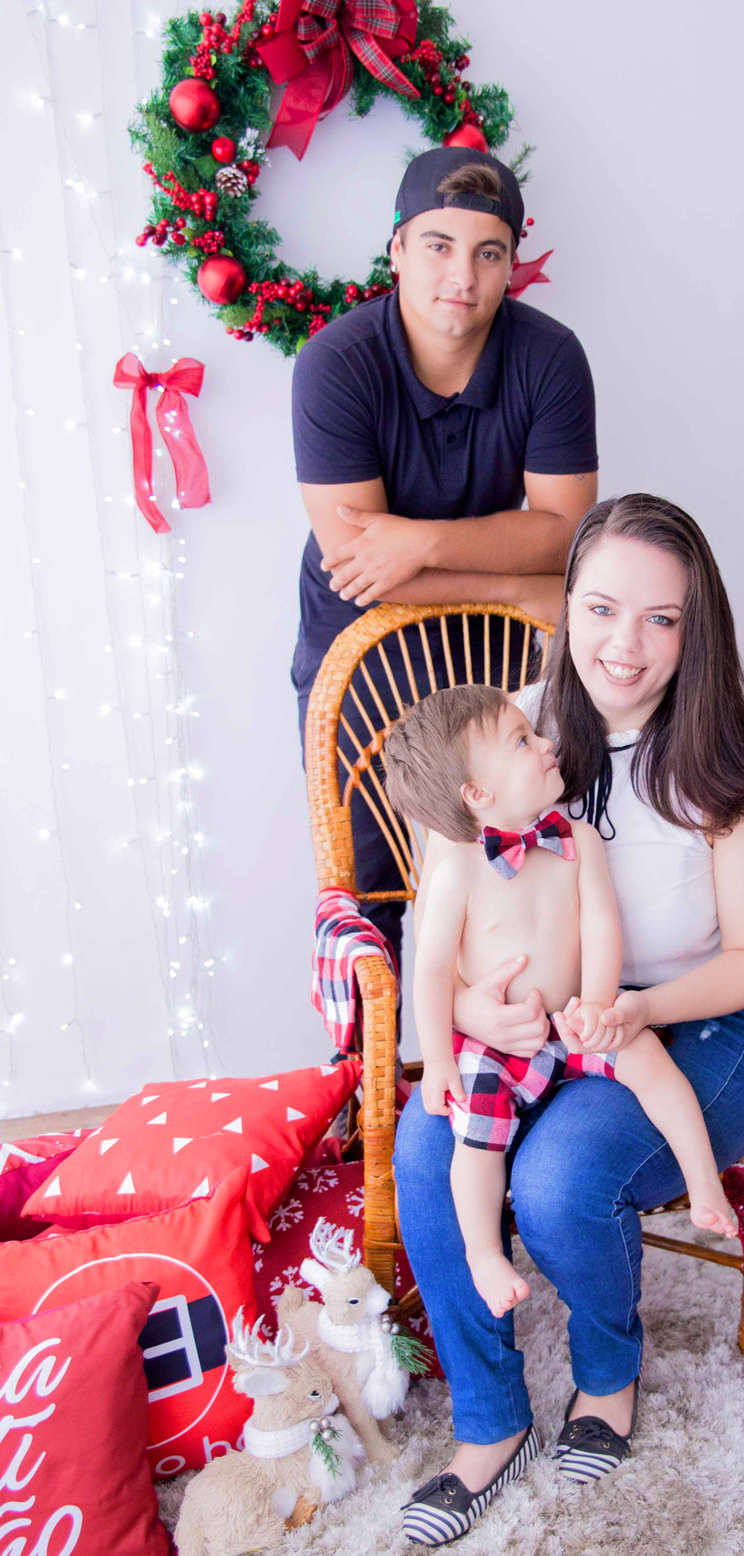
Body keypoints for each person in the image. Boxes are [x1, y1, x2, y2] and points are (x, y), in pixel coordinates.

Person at [393, 494, 744, 1547]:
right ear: (566, 603)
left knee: (560, 1178)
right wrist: (480, 1008)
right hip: (538, 1030)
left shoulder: (727, 765)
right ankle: (489, 1421)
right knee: (428, 1142)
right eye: (605, 608)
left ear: (694, 628)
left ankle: (607, 1374)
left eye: (662, 619)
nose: (627, 645)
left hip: (702, 1028)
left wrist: (635, 1011)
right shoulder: (500, 732)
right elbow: (437, 930)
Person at [291, 146, 598, 953]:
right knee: (370, 886)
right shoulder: (336, 363)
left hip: (491, 658)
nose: (461, 274)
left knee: (511, 873)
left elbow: (567, 533)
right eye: (437, 245)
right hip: (364, 653)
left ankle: (512, 1063)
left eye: (487, 252)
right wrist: (512, 586)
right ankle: (369, 1073)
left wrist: (420, 542)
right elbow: (358, 565)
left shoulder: (550, 357)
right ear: (395, 250)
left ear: (510, 266)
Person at [381, 684, 738, 1325]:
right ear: (478, 795)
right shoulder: (460, 869)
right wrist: (436, 1063)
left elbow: (602, 925)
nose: (546, 743)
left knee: (649, 1057)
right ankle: (487, 1253)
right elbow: (431, 972)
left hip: (570, 1018)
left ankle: (702, 1178)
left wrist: (599, 1005)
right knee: (476, 1143)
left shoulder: (575, 836)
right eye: (523, 741)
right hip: (493, 1044)